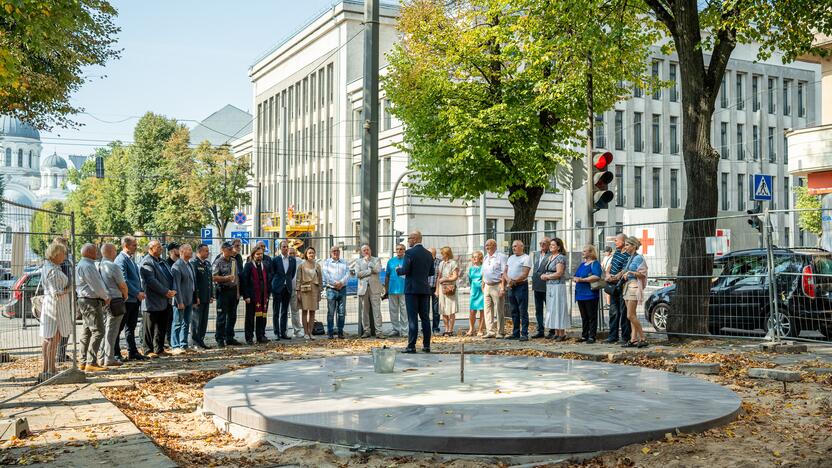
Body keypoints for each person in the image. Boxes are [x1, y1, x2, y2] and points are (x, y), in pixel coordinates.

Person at [396, 230, 435, 353]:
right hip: (424, 289)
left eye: (409, 239)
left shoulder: (409, 253)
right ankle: (426, 345)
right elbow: (431, 272)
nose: (408, 241)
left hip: (412, 289)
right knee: (425, 318)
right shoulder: (428, 254)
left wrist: (398, 270)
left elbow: (406, 270)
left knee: (412, 318)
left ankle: (411, 345)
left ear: (415, 239)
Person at [38, 242, 71, 383]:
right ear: (56, 254)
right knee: (53, 338)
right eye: (63, 254)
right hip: (55, 307)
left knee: (48, 338)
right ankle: (50, 368)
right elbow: (56, 292)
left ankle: (47, 368)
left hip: (52, 306)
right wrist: (69, 289)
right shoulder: (52, 270)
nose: (64, 256)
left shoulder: (48, 267)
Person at [76, 244, 110, 372]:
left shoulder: (82, 264)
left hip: (85, 300)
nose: (98, 252)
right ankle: (91, 362)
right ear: (90, 252)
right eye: (95, 250)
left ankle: (83, 361)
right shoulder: (88, 266)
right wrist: (105, 296)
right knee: (98, 331)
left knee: (87, 331)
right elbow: (96, 285)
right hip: (91, 301)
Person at [140, 240, 177, 358]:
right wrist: (166, 291)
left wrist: (171, 290)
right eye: (158, 247)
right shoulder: (147, 262)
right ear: (150, 248)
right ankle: (147, 349)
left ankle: (159, 348)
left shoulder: (162, 261)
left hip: (165, 299)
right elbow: (151, 281)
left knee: (161, 325)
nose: (161, 248)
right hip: (152, 300)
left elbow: (169, 276)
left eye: (161, 246)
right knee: (150, 326)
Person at [115, 236, 146, 361]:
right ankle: (115, 353)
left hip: (134, 299)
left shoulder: (131, 260)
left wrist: (141, 291)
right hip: (127, 299)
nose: (136, 247)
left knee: (131, 327)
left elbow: (136, 278)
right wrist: (136, 292)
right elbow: (124, 280)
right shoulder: (121, 259)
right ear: (126, 245)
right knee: (119, 327)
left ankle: (132, 351)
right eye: (134, 245)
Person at [98, 243, 128, 367]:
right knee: (112, 331)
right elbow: (122, 284)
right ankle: (109, 358)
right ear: (111, 252)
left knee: (105, 330)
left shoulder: (98, 265)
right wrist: (125, 295)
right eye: (115, 250)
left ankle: (101, 357)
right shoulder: (113, 266)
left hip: (103, 300)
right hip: (115, 300)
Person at [618, 236, 648, 348]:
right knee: (632, 315)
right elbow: (627, 271)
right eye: (625, 244)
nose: (625, 247)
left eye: (627, 245)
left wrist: (630, 273)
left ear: (634, 246)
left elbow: (642, 273)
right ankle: (633, 339)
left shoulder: (638, 258)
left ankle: (643, 338)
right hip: (627, 286)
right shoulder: (630, 257)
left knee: (630, 315)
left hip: (634, 286)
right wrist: (620, 274)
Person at [604, 233, 632, 344]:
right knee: (613, 312)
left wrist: (615, 277)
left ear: (623, 242)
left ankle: (625, 337)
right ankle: (612, 336)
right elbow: (610, 265)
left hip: (622, 286)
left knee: (624, 312)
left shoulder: (627, 255)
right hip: (613, 285)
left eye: (616, 240)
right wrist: (607, 274)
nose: (615, 242)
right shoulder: (616, 253)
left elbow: (624, 270)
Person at [213, 241, 241, 347]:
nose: (231, 251)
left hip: (233, 291)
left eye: (231, 249)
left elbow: (236, 277)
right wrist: (225, 278)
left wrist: (237, 292)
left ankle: (230, 337)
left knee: (232, 316)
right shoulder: (218, 261)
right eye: (229, 249)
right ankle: (220, 338)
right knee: (221, 316)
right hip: (222, 291)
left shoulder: (233, 261)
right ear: (223, 250)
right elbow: (213, 277)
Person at [573, 245, 602, 344]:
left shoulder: (595, 264)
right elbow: (576, 275)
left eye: (585, 251)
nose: (583, 253)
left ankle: (592, 336)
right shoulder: (582, 264)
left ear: (591, 252)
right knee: (584, 316)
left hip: (590, 294)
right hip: (580, 293)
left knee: (591, 316)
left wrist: (582, 280)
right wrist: (575, 278)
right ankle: (584, 335)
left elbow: (597, 276)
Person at [171, 244, 196, 354]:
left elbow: (192, 283)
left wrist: (194, 298)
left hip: (189, 299)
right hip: (180, 300)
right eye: (189, 250)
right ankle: (175, 345)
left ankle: (184, 344)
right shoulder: (177, 266)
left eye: (191, 249)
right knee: (177, 323)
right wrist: (179, 301)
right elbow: (176, 285)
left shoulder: (189, 265)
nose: (191, 251)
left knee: (186, 323)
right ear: (182, 252)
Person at [504, 240, 532, 341]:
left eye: (516, 246)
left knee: (522, 310)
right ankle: (515, 333)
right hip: (511, 286)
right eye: (513, 246)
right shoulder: (511, 258)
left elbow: (525, 274)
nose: (513, 248)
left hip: (521, 286)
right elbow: (505, 272)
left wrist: (514, 281)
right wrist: (508, 280)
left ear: (522, 247)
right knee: (514, 310)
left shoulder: (526, 258)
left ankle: (524, 333)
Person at [542, 238, 569, 341]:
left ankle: (562, 333)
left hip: (558, 286)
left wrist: (547, 276)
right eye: (551, 245)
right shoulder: (550, 257)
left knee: (559, 308)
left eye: (553, 245)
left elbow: (559, 273)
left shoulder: (560, 257)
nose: (551, 246)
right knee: (552, 309)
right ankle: (557, 332)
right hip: (550, 286)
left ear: (558, 247)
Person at [242, 245, 270, 344]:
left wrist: (268, 295)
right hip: (252, 297)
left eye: (261, 254)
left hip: (263, 296)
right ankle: (249, 338)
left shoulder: (265, 265)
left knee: (262, 317)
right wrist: (246, 296)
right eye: (257, 254)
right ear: (253, 254)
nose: (260, 256)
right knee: (250, 318)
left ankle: (260, 336)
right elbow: (244, 281)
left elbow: (268, 280)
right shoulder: (248, 266)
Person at [356, 244, 384, 338]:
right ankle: (366, 330)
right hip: (363, 289)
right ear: (361, 252)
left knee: (377, 310)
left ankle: (379, 331)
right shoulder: (358, 261)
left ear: (370, 250)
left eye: (367, 249)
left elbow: (378, 270)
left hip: (375, 288)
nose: (366, 251)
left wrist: (370, 268)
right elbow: (358, 274)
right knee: (364, 311)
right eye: (364, 250)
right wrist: (370, 270)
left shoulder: (377, 259)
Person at [270, 240, 296, 341]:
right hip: (277, 288)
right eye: (283, 247)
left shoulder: (292, 260)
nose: (285, 248)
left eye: (286, 247)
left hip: (287, 288)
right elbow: (272, 273)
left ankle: (283, 332)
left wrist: (287, 282)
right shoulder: (275, 260)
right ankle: (276, 333)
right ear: (280, 248)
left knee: (284, 311)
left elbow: (292, 274)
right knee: (276, 311)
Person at [481, 239, 507, 338]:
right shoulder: (486, 257)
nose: (487, 247)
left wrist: (502, 288)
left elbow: (504, 273)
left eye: (489, 245)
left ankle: (500, 332)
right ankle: (490, 331)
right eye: (486, 245)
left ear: (495, 246)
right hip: (487, 286)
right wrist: (483, 284)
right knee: (487, 310)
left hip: (497, 285)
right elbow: (484, 272)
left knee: (499, 310)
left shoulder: (501, 257)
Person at [322, 245, 349, 339]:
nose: (335, 252)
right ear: (330, 252)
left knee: (341, 312)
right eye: (333, 251)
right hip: (331, 290)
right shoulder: (327, 263)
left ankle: (340, 332)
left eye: (337, 250)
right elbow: (326, 275)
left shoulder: (344, 262)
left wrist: (341, 283)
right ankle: (330, 332)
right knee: (331, 312)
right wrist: (335, 283)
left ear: (339, 252)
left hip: (342, 289)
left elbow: (347, 274)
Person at [296, 247, 322, 339]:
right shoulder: (301, 265)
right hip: (304, 290)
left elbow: (320, 279)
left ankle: (311, 332)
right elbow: (298, 279)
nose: (311, 254)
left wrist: (320, 292)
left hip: (315, 290)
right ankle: (306, 332)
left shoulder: (318, 265)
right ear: (306, 254)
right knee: (304, 311)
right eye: (309, 253)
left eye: (313, 253)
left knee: (312, 312)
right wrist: (298, 292)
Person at [190, 243, 213, 349]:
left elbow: (209, 280)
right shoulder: (194, 263)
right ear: (199, 252)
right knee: (196, 320)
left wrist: (211, 294)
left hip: (206, 296)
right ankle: (195, 342)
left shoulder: (207, 264)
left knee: (204, 320)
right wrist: (196, 296)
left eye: (208, 251)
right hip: (198, 297)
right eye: (206, 251)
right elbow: (194, 282)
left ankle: (201, 340)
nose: (208, 253)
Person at [435, 246, 459, 336]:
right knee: (443, 310)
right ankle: (446, 328)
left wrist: (446, 279)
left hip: (450, 289)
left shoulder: (453, 263)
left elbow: (455, 276)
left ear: (447, 254)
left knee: (451, 310)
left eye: (442, 253)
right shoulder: (441, 263)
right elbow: (439, 277)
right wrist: (437, 290)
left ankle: (450, 329)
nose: (441, 255)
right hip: (442, 289)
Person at [531, 237, 552, 339]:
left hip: (546, 285)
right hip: (537, 285)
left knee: (549, 309)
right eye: (541, 243)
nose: (542, 244)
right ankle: (540, 330)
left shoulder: (551, 255)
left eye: (544, 243)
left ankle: (552, 330)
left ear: (549, 244)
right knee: (538, 309)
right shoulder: (537, 254)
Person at [385, 243, 407, 337]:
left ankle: (405, 331)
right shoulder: (391, 261)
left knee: (404, 311)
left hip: (404, 290)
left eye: (401, 249)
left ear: (404, 250)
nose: (399, 251)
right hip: (392, 289)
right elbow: (387, 275)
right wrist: (386, 289)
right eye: (397, 249)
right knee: (393, 310)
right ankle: (395, 329)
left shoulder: (407, 260)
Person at [162, 243, 179, 346]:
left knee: (174, 319)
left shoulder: (179, 262)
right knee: (169, 319)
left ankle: (172, 339)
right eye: (178, 249)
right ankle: (168, 339)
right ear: (172, 251)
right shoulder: (167, 263)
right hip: (168, 295)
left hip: (177, 295)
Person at [466, 250, 485, 337]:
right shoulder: (471, 269)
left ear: (480, 259)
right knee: (472, 311)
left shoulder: (483, 268)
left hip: (482, 290)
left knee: (482, 310)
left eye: (476, 257)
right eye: (473, 257)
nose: (474, 258)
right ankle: (471, 328)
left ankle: (480, 329)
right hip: (474, 291)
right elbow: (470, 280)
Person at [288, 247, 303, 337]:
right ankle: (284, 331)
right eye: (290, 253)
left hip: (295, 289)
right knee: (283, 312)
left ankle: (297, 331)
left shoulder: (299, 261)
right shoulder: (283, 260)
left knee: (295, 311)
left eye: (293, 253)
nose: (292, 255)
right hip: (285, 289)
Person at [427, 247, 442, 334]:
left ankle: (435, 327)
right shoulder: (424, 261)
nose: (431, 255)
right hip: (426, 288)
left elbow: (440, 276)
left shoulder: (439, 262)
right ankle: (426, 327)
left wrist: (438, 289)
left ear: (435, 254)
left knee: (436, 310)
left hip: (436, 288)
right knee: (425, 309)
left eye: (432, 254)